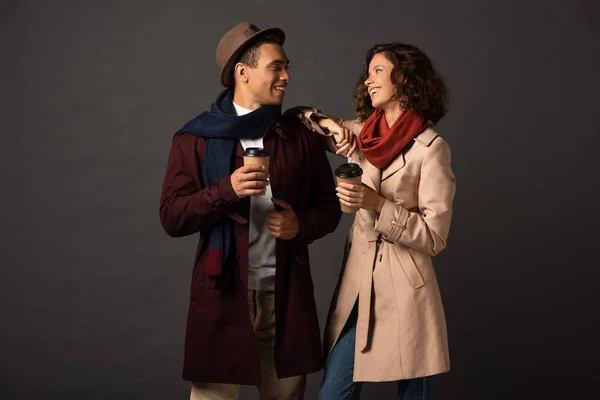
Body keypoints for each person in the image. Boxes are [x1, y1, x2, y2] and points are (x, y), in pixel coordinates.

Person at [159, 22, 342, 400]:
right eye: (276, 67)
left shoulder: (298, 135)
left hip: (285, 294)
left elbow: (329, 207)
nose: (286, 76)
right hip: (222, 294)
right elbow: (173, 217)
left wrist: (299, 225)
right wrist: (226, 190)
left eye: (286, 66)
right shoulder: (195, 137)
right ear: (243, 72)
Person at [299, 42, 456, 399]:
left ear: (404, 78)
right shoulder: (361, 135)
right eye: (368, 72)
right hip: (360, 286)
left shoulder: (431, 150)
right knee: (333, 393)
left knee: (415, 393)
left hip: (406, 291)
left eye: (379, 71)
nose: (368, 79)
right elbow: (297, 119)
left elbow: (435, 236)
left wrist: (378, 205)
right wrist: (326, 123)